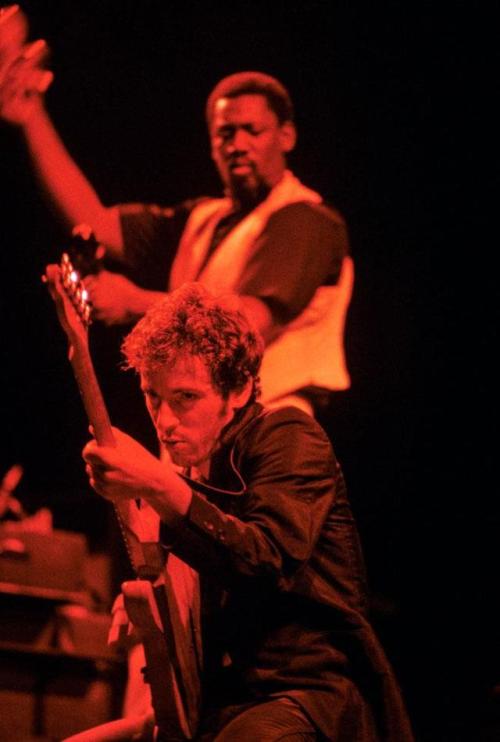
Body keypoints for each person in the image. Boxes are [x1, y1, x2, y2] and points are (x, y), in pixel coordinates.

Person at [67, 282, 413, 742]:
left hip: (304, 699)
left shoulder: (290, 436)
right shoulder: (193, 474)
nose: (165, 420)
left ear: (238, 389)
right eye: (153, 396)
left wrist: (155, 482)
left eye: (185, 397)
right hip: (221, 704)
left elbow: (264, 559)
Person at [0, 26, 353, 416]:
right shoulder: (202, 220)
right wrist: (32, 116)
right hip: (204, 435)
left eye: (253, 130)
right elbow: (94, 220)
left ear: (286, 136)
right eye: (225, 134)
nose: (237, 145)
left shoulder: (305, 219)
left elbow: (247, 324)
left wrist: (134, 303)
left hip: (271, 428)